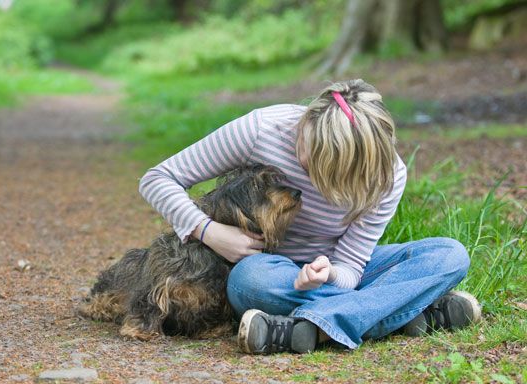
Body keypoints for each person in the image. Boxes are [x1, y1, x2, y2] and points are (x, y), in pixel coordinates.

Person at [138, 79, 481, 354]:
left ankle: (308, 329)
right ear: (306, 122)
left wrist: (330, 272)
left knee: (449, 255)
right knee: (248, 281)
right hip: (271, 272)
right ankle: (400, 311)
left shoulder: (386, 175)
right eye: (309, 153)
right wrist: (209, 231)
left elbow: (351, 266)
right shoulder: (261, 130)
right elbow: (158, 178)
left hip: (323, 280)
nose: (311, 174)